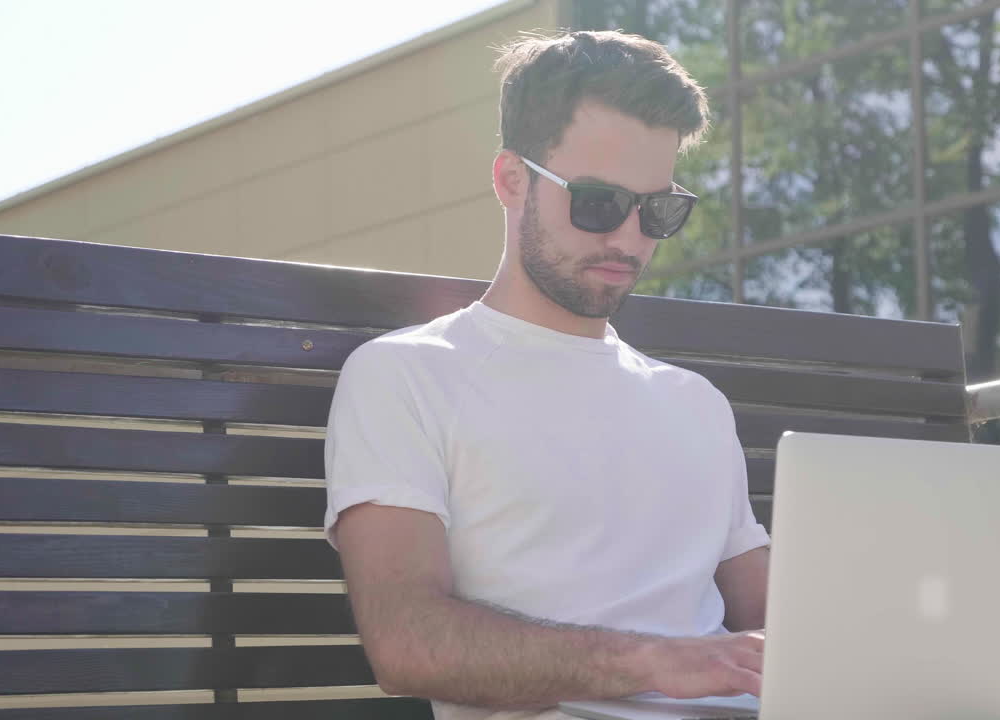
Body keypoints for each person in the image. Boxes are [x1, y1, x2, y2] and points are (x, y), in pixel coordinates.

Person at [323, 29, 770, 720]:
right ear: (511, 180)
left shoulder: (695, 402)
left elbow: (783, 621)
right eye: (597, 203)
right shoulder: (406, 377)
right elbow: (409, 643)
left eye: (659, 211)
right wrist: (654, 662)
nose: (628, 238)